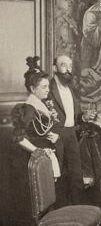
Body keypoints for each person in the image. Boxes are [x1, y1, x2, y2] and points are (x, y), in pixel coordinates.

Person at [9, 57, 63, 224]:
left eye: (48, 86)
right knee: (37, 200)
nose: (48, 90)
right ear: (32, 88)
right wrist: (36, 151)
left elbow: (36, 130)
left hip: (43, 155)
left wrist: (50, 136)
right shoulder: (27, 108)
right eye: (44, 87)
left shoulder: (40, 104)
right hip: (31, 159)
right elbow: (18, 137)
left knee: (47, 198)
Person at [50, 55, 95, 205]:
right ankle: (60, 215)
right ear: (54, 68)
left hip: (71, 135)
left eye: (70, 65)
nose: (68, 69)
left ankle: (78, 210)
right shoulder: (48, 89)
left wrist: (84, 117)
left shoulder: (71, 89)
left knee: (76, 175)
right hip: (56, 136)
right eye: (63, 65)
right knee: (58, 177)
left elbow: (75, 117)